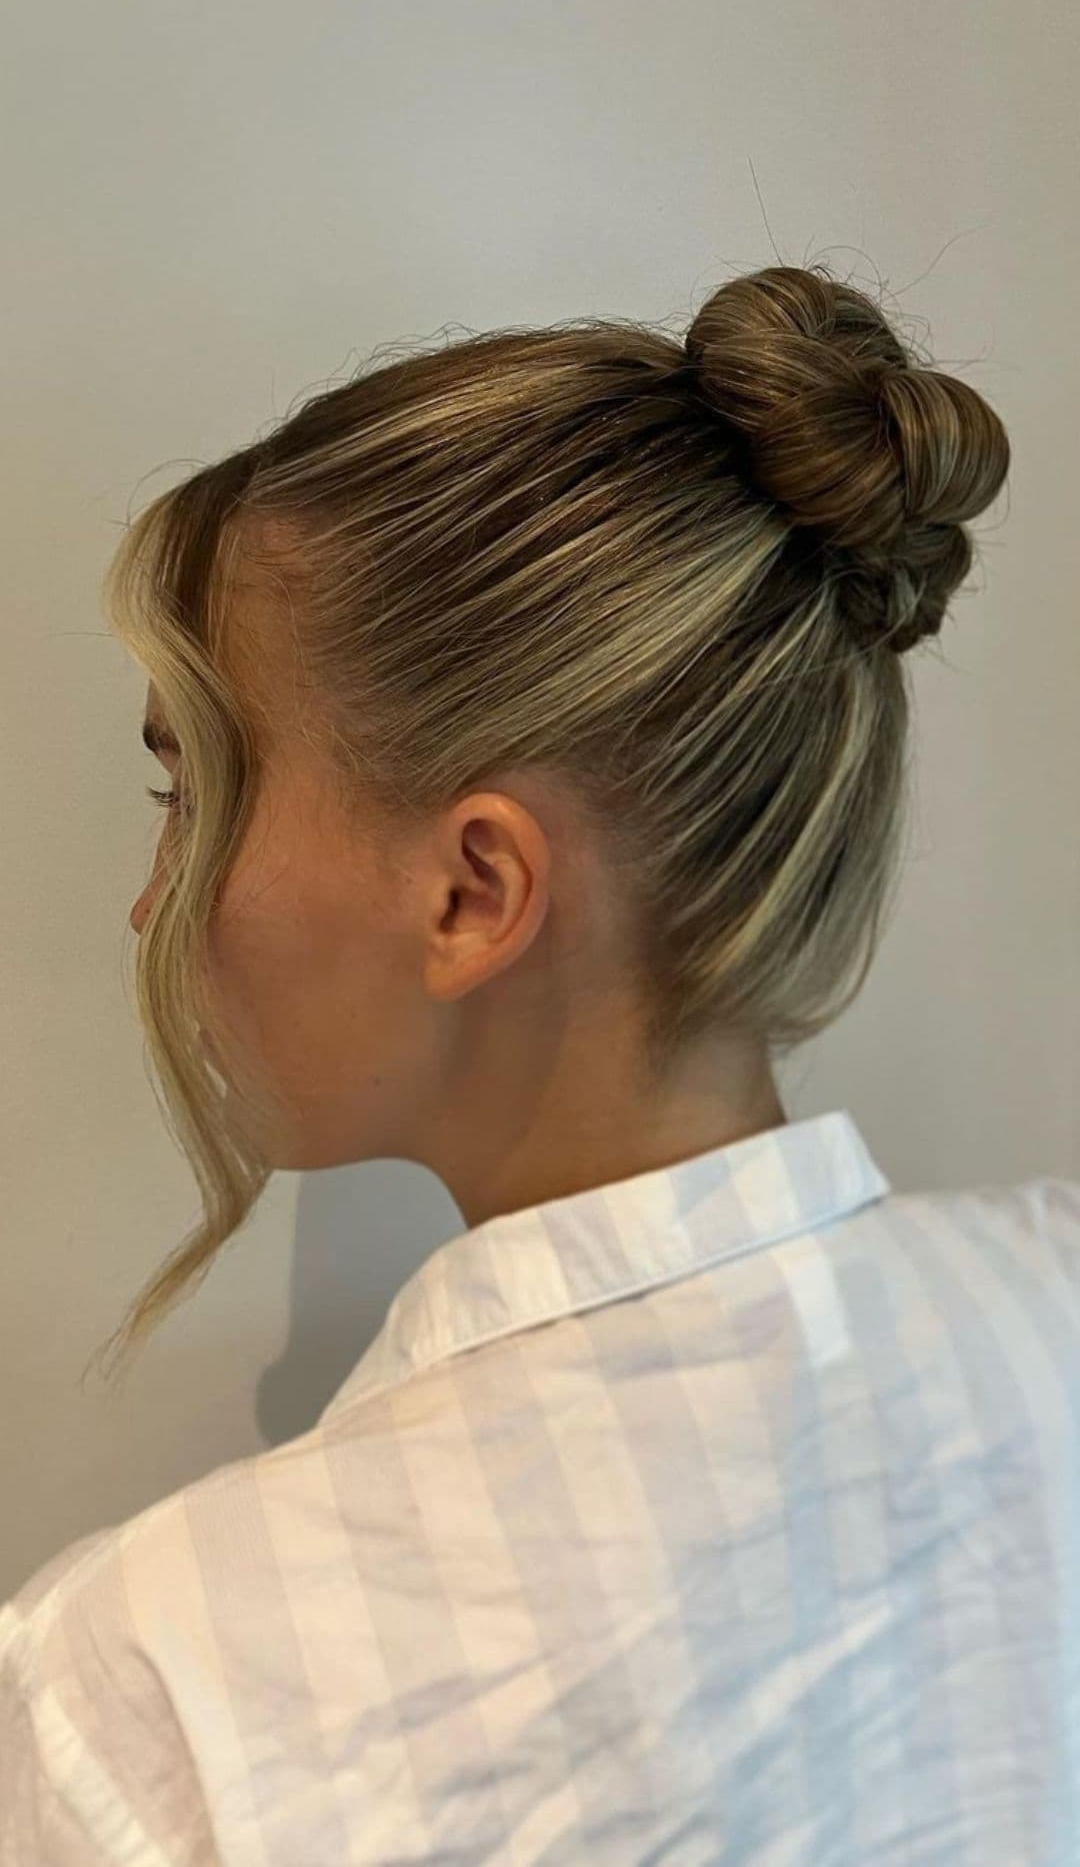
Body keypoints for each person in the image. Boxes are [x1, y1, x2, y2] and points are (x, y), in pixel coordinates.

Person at [2, 259, 1075, 1865]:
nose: (155, 903)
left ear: (473, 892)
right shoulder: (1053, 1307)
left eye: (192, 796)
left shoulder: (159, 1691)